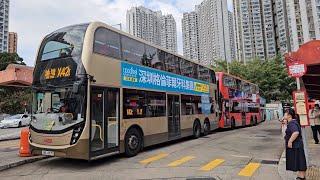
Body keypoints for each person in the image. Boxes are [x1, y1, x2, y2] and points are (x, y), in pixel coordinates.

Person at [284, 108, 307, 180]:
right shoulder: (292, 122)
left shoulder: (292, 123)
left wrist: (290, 141)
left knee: (300, 161)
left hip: (296, 146)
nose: (284, 115)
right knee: (299, 161)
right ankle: (301, 176)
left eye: (285, 113)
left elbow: (296, 132)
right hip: (297, 145)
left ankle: (301, 177)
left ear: (289, 115)